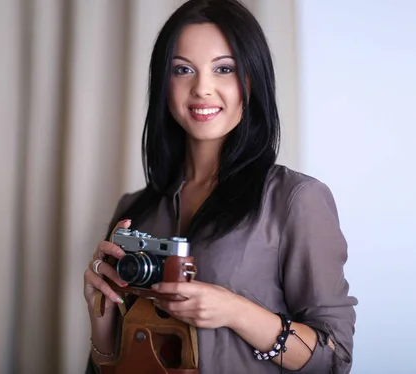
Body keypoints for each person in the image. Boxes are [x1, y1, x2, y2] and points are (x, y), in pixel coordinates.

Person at [83, 0, 358, 373]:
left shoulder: (295, 200)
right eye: (183, 70)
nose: (203, 89)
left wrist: (234, 310)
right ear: (164, 84)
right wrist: (101, 318)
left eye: (224, 69)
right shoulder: (135, 210)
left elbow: (334, 357)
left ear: (251, 80)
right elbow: (110, 364)